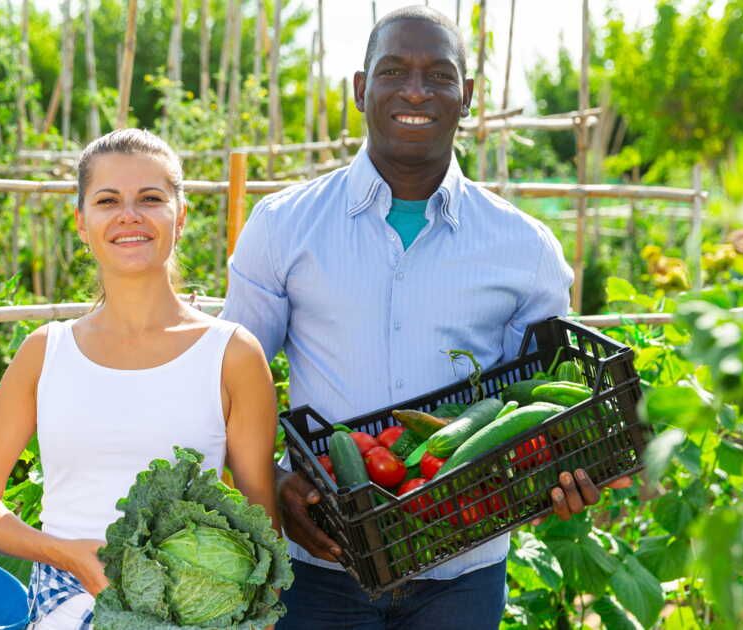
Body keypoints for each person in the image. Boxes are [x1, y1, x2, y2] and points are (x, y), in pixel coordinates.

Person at [222, 7, 630, 629]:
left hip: (462, 570)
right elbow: (233, 381)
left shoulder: (525, 247)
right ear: (361, 90)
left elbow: (549, 402)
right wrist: (275, 478)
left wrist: (568, 470)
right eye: (394, 71)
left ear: (467, 96)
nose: (415, 90)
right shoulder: (283, 226)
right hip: (321, 565)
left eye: (440, 76)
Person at [0, 129, 280, 630]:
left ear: (181, 216)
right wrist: (67, 555)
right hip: (65, 607)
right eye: (108, 201)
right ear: (82, 223)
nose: (130, 215)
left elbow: (263, 530)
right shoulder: (46, 351)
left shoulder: (232, 354)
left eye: (151, 199)